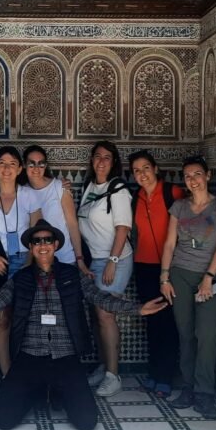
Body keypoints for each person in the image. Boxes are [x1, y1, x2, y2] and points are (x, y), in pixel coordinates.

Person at [0, 219, 167, 430]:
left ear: (56, 244)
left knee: (86, 422)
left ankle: (54, 390)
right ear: (31, 247)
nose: (43, 245)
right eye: (37, 241)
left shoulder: (72, 275)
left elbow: (100, 298)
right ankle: (40, 390)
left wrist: (138, 309)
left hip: (65, 356)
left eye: (48, 240)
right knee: (5, 421)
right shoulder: (21, 279)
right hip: (29, 357)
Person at [160, 155, 216, 419]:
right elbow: (170, 244)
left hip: (208, 278)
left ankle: (205, 393)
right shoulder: (179, 207)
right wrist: (164, 278)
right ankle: (188, 388)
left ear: (208, 175)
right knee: (186, 333)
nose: (193, 180)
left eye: (197, 174)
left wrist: (209, 277)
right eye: (188, 176)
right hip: (180, 275)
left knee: (207, 335)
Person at [0, 146, 41, 380]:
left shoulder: (29, 195)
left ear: (20, 169)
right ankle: (8, 376)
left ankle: (27, 372)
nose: (7, 168)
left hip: (25, 261)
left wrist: (29, 263)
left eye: (12, 164)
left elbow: (37, 232)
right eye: (2, 163)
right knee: (1, 320)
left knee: (25, 318)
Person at [78, 140, 133, 397]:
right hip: (94, 261)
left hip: (115, 260)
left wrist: (112, 261)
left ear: (114, 163)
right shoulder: (90, 186)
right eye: (97, 156)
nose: (101, 161)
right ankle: (103, 366)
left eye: (107, 157)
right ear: (92, 160)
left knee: (106, 315)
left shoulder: (118, 189)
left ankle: (113, 375)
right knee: (97, 315)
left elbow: (123, 228)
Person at [129, 150, 185, 398]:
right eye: (136, 170)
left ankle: (165, 377)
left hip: (169, 267)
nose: (142, 174)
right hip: (143, 266)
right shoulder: (136, 197)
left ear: (155, 169)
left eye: (146, 168)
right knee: (152, 321)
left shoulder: (173, 193)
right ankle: (154, 373)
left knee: (168, 323)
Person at [21, 145, 89, 274]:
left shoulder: (59, 187)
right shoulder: (22, 191)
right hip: (37, 261)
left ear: (46, 165)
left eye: (41, 164)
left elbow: (72, 224)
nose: (36, 168)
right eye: (31, 164)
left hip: (64, 258)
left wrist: (79, 258)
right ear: (24, 165)